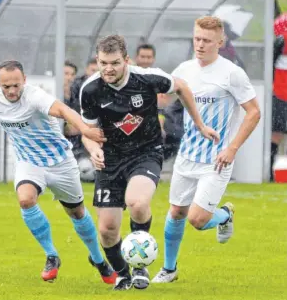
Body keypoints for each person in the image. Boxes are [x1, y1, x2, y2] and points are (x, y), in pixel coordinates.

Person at [0, 60, 117, 284]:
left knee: (77, 213)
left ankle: (98, 259)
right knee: (26, 200)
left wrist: (86, 130)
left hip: (60, 162)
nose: (11, 91)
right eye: (6, 86)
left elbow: (63, 110)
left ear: (24, 81)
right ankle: (51, 255)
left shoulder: (34, 96)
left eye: (16, 85)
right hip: (28, 162)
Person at [79, 35, 219, 291]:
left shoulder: (148, 78)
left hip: (146, 152)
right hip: (109, 159)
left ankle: (140, 266)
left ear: (127, 61)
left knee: (138, 201)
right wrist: (93, 150)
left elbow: (182, 87)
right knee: (108, 229)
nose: (108, 69)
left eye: (114, 63)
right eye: (103, 63)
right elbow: (88, 132)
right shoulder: (90, 89)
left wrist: (199, 125)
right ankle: (122, 273)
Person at [151, 16, 261, 283]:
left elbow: (254, 112)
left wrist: (232, 149)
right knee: (176, 212)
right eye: (197, 38)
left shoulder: (232, 73)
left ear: (220, 43)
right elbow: (163, 97)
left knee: (197, 220)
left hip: (217, 160)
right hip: (187, 156)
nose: (200, 45)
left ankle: (224, 215)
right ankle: (169, 269)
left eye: (207, 41)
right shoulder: (185, 69)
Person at [270, 13, 287, 181]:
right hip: (281, 93)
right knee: (276, 133)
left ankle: (269, 171)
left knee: (276, 133)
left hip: (280, 93)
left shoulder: (280, 39)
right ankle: (269, 170)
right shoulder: (281, 41)